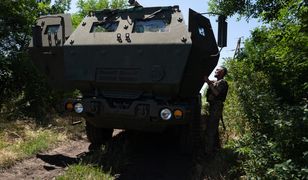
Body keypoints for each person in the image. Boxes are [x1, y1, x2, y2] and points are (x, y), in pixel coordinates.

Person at [204, 66, 228, 154]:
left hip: (216, 107)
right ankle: (216, 149)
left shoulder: (223, 82)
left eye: (218, 70)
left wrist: (208, 82)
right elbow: (212, 83)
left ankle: (208, 153)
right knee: (213, 129)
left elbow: (216, 93)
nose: (215, 70)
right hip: (213, 106)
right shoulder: (217, 82)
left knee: (211, 129)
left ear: (222, 72)